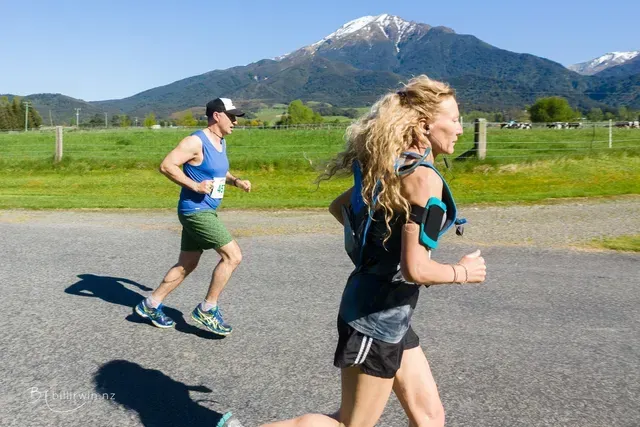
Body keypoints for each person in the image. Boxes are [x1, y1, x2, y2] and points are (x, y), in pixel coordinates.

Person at [262, 75, 487, 427]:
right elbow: (416, 269)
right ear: (425, 125)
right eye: (455, 119)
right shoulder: (423, 178)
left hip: (388, 312)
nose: (460, 128)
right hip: (375, 320)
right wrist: (463, 273)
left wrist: (376, 250)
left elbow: (341, 207)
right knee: (350, 424)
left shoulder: (390, 167)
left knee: (430, 418)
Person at [135, 97, 251, 337]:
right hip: (196, 212)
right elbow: (167, 166)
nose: (235, 122)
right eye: (231, 117)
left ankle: (150, 305)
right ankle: (208, 309)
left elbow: (219, 171)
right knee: (233, 256)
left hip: (204, 210)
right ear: (217, 115)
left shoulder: (220, 142)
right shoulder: (195, 141)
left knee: (187, 264)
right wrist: (194, 186)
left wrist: (236, 181)